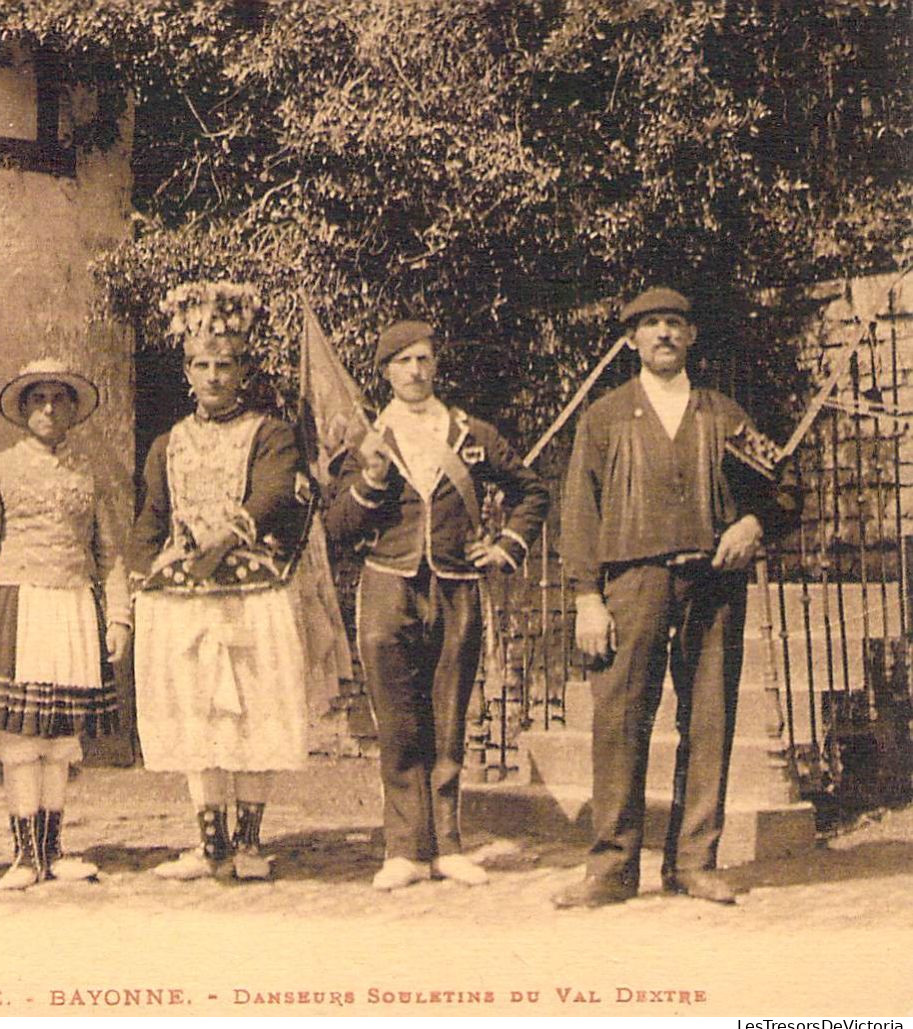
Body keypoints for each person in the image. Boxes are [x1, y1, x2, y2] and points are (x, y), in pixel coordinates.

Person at [553, 287, 789, 908]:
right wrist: (586, 597)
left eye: (674, 324)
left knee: (709, 719)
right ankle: (610, 868)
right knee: (620, 720)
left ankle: (693, 862)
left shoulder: (723, 415)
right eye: (650, 325)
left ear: (691, 337)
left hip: (713, 581)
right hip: (633, 584)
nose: (663, 334)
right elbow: (579, 512)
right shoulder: (604, 418)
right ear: (631, 340)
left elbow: (782, 491)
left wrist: (753, 524)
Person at [323, 320, 549, 891]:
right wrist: (371, 480)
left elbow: (532, 491)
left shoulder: (471, 434)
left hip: (455, 584)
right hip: (386, 586)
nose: (416, 371)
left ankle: (447, 844)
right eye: (403, 362)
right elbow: (337, 526)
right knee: (397, 723)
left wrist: (504, 547)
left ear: (435, 365)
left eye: (424, 359)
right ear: (386, 373)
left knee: (450, 718)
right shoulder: (367, 440)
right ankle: (404, 850)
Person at [127, 281, 318, 882]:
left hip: (250, 595)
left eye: (225, 366)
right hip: (185, 600)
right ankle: (210, 845)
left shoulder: (270, 434)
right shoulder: (167, 443)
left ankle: (250, 843)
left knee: (250, 713)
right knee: (199, 717)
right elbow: (152, 516)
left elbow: (272, 493)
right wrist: (133, 581)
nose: (214, 377)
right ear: (188, 372)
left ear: (242, 371)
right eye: (202, 366)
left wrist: (227, 535)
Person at [0, 359, 132, 890]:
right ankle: (23, 856)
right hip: (18, 603)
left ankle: (54, 850)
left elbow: (110, 553)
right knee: (20, 736)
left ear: (74, 410)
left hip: (74, 605)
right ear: (23, 410)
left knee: (60, 737)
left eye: (59, 399)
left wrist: (118, 615)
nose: (49, 409)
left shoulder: (89, 473)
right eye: (38, 399)